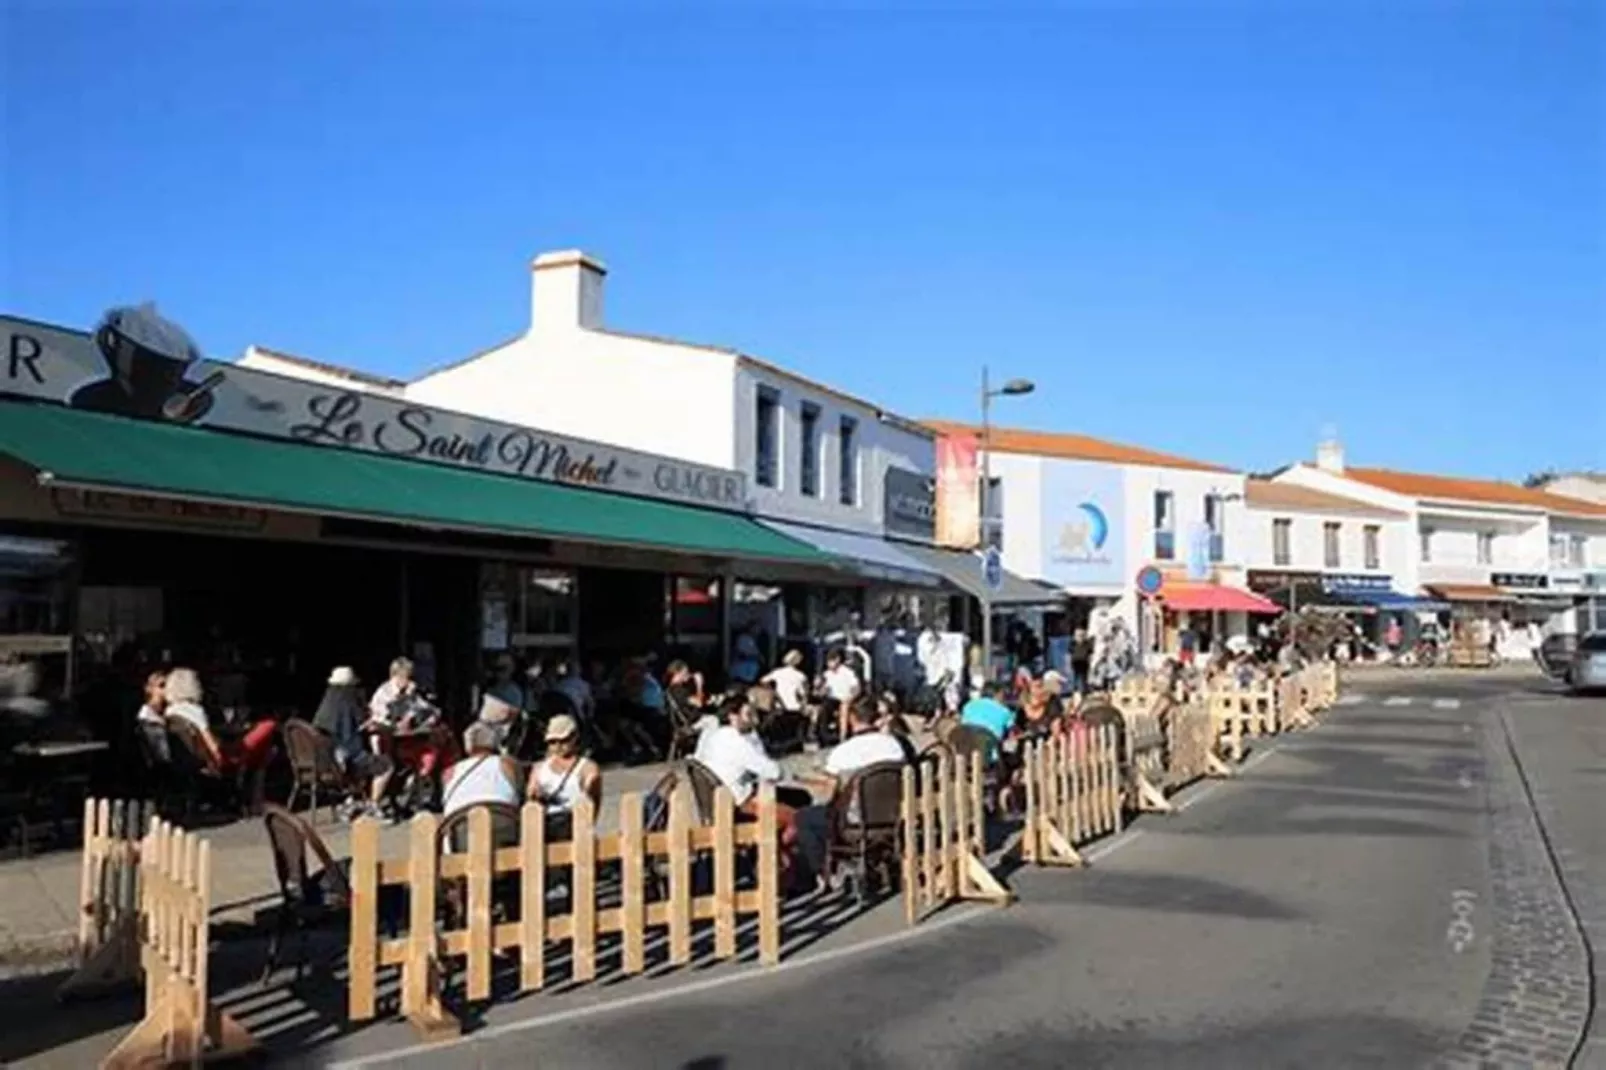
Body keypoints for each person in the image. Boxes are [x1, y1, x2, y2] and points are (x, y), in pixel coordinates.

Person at [794, 697, 908, 887]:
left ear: (852, 719)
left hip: (853, 821)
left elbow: (831, 795)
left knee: (805, 817)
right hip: (892, 817)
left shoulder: (843, 752)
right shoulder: (894, 746)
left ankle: (827, 873)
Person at [695, 692, 803, 885]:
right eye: (748, 714)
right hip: (740, 801)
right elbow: (773, 771)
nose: (753, 718)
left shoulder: (715, 736)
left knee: (793, 798)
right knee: (798, 819)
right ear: (733, 716)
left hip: (720, 799)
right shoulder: (735, 741)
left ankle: (770, 859)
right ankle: (775, 866)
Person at [312, 667, 393, 819]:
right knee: (386, 764)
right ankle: (373, 805)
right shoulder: (347, 703)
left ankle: (350, 801)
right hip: (343, 760)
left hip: (323, 761)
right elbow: (355, 733)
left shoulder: (325, 707)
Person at [526, 714, 603, 819]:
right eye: (552, 742)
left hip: (575, 820)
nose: (558, 746)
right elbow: (531, 798)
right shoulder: (539, 768)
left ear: (575, 737)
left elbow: (593, 799)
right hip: (545, 822)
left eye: (563, 741)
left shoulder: (587, 768)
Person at [959, 681, 1016, 762]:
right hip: (989, 754)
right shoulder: (1004, 711)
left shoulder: (968, 706)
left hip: (966, 752)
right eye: (1003, 695)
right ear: (998, 694)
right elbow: (1012, 735)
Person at [762, 650, 809, 715]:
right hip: (795, 709)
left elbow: (763, 680)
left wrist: (772, 690)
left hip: (779, 707)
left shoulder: (778, 672)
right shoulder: (801, 676)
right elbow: (803, 694)